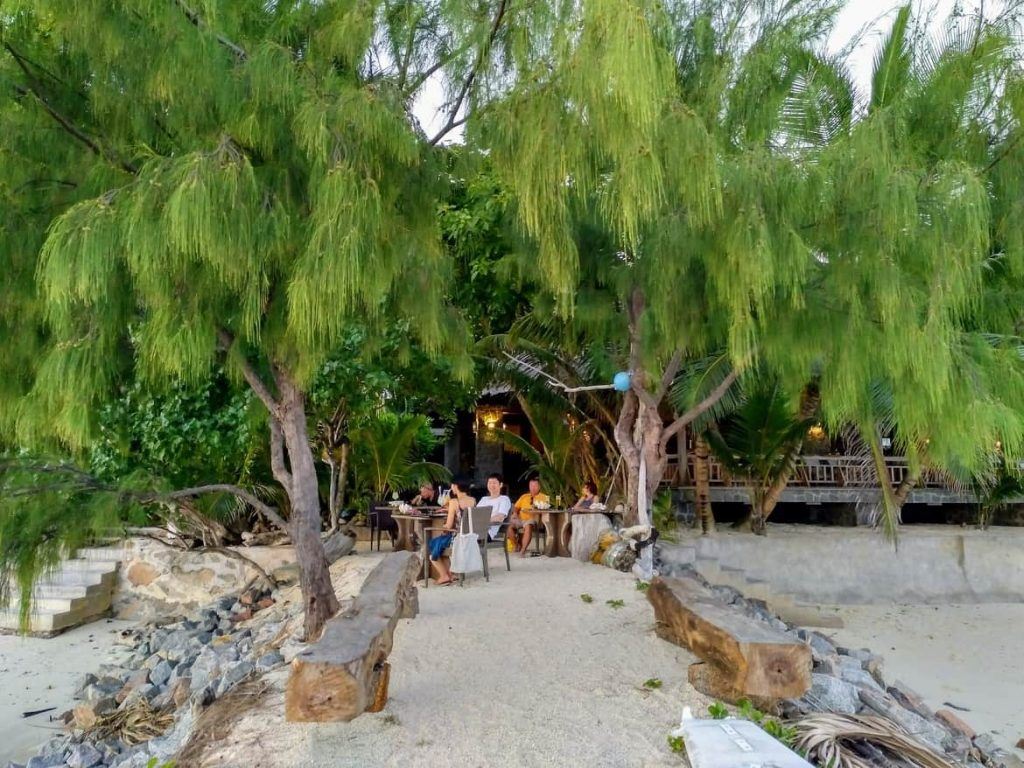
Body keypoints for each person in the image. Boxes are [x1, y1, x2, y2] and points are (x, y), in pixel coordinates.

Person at [428, 479, 476, 585]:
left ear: (456, 486)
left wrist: (443, 526)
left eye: (452, 486)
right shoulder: (473, 500)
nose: (451, 488)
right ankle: (451, 574)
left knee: (433, 543)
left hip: (457, 539)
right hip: (471, 537)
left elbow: (448, 526)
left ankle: (444, 575)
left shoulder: (454, 502)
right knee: (440, 542)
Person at [510, 474, 549, 557]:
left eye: (535, 485)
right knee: (507, 525)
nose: (533, 487)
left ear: (539, 487)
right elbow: (516, 507)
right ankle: (516, 545)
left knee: (528, 525)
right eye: (531, 485)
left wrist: (536, 511)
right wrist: (515, 513)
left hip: (534, 519)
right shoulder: (524, 496)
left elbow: (546, 509)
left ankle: (523, 550)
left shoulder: (544, 497)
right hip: (520, 519)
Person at [478, 473, 512, 541]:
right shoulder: (483, 499)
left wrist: (482, 521)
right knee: (460, 536)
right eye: (489, 483)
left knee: (466, 538)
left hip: (487, 533)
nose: (491, 485)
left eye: (494, 483)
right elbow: (475, 514)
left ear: (501, 485)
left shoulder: (504, 499)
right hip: (476, 529)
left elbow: (500, 518)